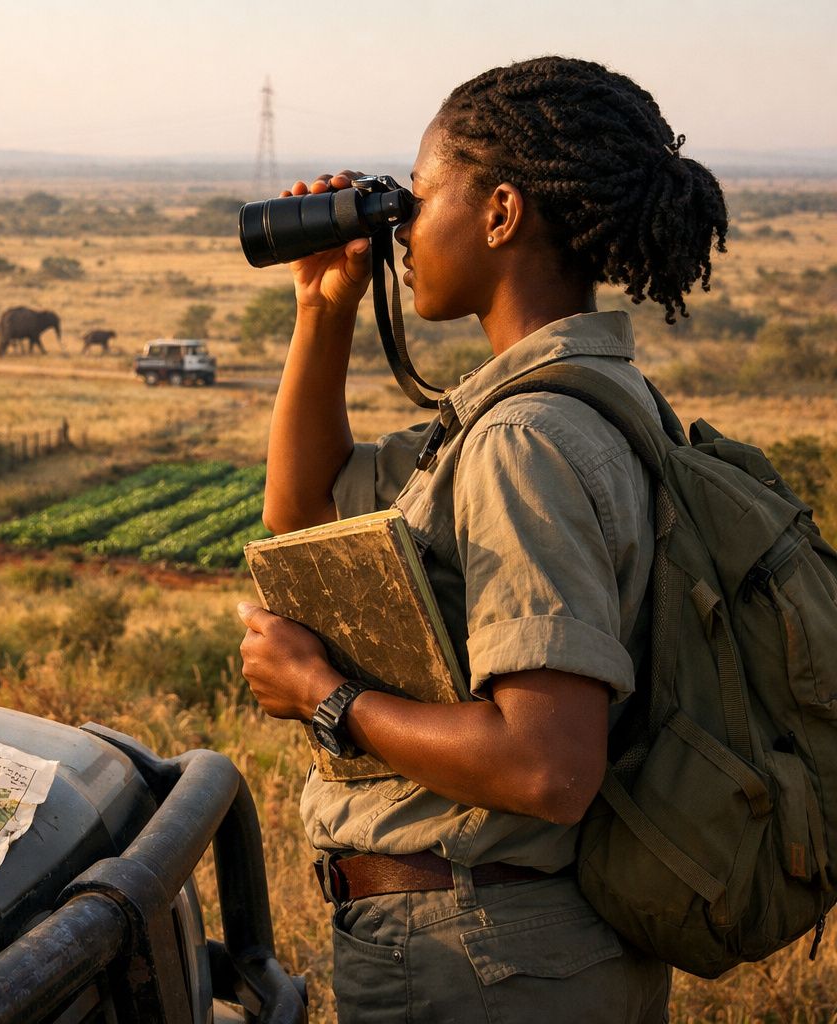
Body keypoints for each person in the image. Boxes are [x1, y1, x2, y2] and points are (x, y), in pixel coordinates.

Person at [236, 56, 728, 1023]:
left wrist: (326, 698)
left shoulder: (523, 439)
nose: (405, 229)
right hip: (532, 943)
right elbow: (303, 514)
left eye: (418, 198)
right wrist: (322, 306)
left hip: (475, 955)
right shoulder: (582, 401)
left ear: (500, 215)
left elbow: (548, 765)